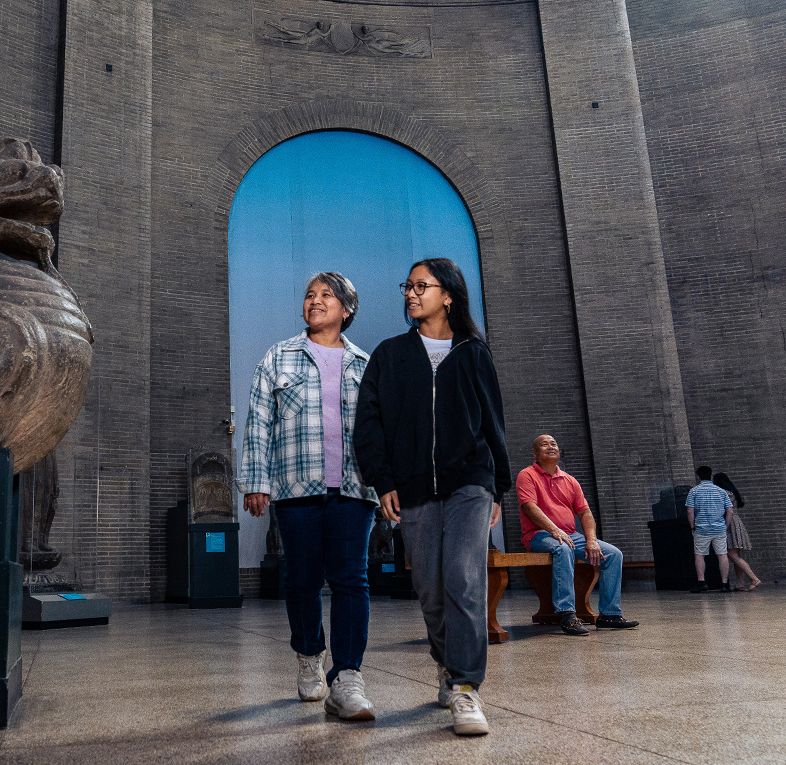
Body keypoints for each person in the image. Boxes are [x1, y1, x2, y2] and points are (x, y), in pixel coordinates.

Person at [353, 257, 509, 737]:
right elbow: (369, 425)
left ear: (448, 295)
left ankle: (466, 688)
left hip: (470, 484)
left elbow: (493, 423)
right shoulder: (390, 355)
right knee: (430, 589)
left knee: (464, 579)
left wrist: (496, 486)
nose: (410, 293)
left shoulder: (473, 353)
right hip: (413, 485)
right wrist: (383, 481)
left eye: (422, 285)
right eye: (408, 286)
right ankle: (445, 662)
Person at [236, 272, 379, 721]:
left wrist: (392, 485)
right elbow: (258, 422)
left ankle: (349, 676)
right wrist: (256, 480)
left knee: (351, 580)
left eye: (326, 296)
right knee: (301, 581)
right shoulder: (279, 357)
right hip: (295, 487)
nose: (315, 302)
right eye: (309, 295)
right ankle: (308, 654)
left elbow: (380, 431)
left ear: (347, 310)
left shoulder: (364, 364)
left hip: (355, 489)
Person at [516, 435, 639, 634]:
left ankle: (609, 614)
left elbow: (585, 512)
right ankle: (567, 614)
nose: (550, 447)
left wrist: (591, 540)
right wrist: (555, 530)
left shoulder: (569, 480)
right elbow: (530, 507)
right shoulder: (527, 475)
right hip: (539, 535)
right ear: (535, 453)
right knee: (562, 548)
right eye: (544, 445)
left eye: (554, 443)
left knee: (613, 554)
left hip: (571, 534)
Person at [685, 465, 733, 592]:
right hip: (719, 528)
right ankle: (724, 584)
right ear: (710, 475)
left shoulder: (694, 491)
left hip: (701, 529)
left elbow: (690, 511)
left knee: (700, 555)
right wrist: (725, 526)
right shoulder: (721, 491)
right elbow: (730, 511)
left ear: (698, 476)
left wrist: (692, 526)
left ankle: (702, 582)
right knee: (722, 555)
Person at [713, 472, 760, 591]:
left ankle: (754, 578)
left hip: (729, 524)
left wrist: (723, 527)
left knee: (732, 555)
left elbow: (727, 512)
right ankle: (740, 584)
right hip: (735, 523)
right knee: (736, 555)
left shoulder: (725, 494)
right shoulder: (731, 493)